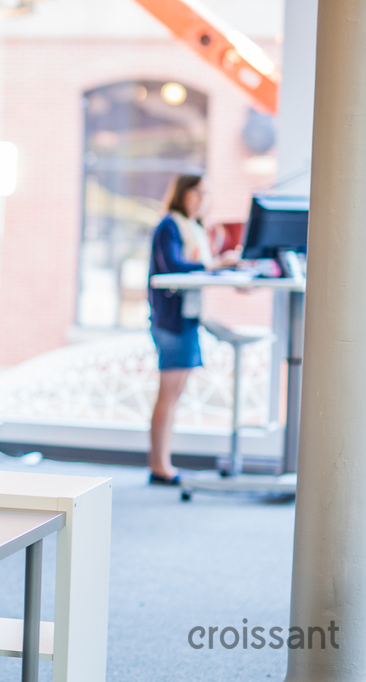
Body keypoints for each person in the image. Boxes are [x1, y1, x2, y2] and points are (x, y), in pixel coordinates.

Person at [147, 175, 240, 485]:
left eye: (205, 193)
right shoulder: (170, 226)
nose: (202, 199)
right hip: (172, 320)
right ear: (182, 194)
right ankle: (159, 466)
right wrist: (215, 265)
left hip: (187, 319)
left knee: (174, 394)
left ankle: (162, 463)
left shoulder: (194, 228)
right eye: (196, 192)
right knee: (168, 394)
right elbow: (173, 265)